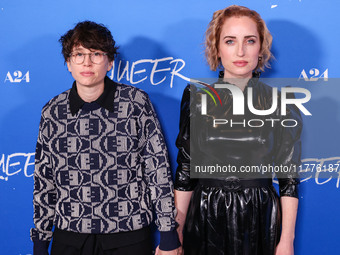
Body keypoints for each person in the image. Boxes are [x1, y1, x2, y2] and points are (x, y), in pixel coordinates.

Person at [30, 21, 180, 255]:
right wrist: (40, 242)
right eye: (79, 54)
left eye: (96, 54)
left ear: (110, 61)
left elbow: (157, 169)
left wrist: (168, 232)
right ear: (68, 63)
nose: (87, 62)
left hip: (129, 236)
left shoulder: (135, 103)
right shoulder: (52, 111)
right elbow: (44, 180)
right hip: (70, 237)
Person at [174, 5, 302, 255]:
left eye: (250, 41)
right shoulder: (196, 97)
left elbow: (288, 179)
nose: (240, 51)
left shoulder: (281, 102)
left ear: (261, 47)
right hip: (204, 213)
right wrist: (174, 231)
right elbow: (186, 169)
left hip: (258, 216)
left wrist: (287, 240)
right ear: (217, 48)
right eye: (230, 41)